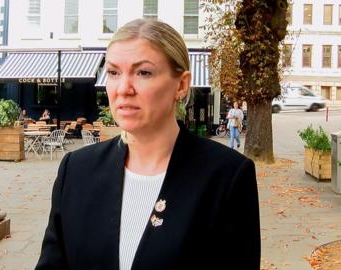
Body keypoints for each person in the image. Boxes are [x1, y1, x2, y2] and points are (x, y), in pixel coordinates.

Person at [36, 19, 260, 270]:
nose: (123, 88)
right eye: (113, 72)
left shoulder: (226, 177)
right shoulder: (76, 170)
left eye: (143, 72)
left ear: (181, 85)